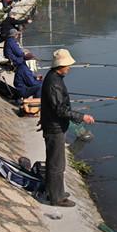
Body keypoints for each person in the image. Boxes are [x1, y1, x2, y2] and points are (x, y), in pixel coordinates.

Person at [40, 49, 95, 207]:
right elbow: (60, 110)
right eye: (68, 65)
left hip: (53, 125)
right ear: (61, 65)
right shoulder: (54, 83)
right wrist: (82, 117)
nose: (69, 68)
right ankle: (57, 198)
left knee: (56, 162)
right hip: (54, 128)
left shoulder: (55, 78)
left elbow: (50, 106)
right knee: (57, 164)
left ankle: (54, 191)